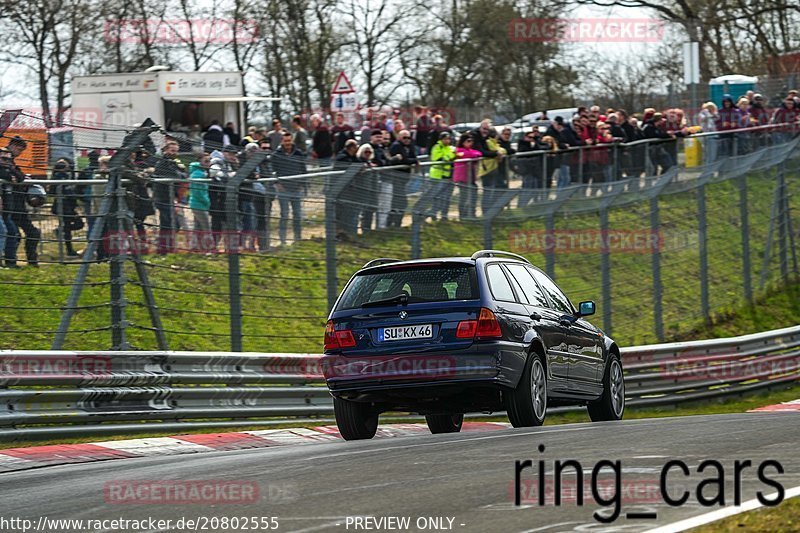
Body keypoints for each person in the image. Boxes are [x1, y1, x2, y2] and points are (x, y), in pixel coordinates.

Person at [3, 137, 40, 267]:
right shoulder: (4, 158)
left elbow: (19, 177)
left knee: (32, 233)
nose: (20, 152)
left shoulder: (12, 162)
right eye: (19, 149)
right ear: (12, 145)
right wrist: (13, 175)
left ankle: (32, 262)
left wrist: (17, 176)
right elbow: (9, 174)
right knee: (13, 234)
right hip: (9, 205)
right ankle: (10, 262)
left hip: (18, 204)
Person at [271, 132, 307, 245]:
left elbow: (303, 169)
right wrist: (277, 184)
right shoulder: (276, 154)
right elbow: (272, 171)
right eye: (285, 141)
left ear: (292, 141)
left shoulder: (298, 153)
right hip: (283, 189)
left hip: (296, 189)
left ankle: (298, 239)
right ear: (282, 141)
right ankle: (282, 241)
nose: (287, 143)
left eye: (289, 141)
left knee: (297, 215)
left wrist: (302, 185)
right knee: (284, 215)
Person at [152, 141, 186, 254]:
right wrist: (179, 173)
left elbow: (184, 175)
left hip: (170, 197)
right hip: (162, 197)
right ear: (166, 150)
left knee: (170, 224)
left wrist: (179, 173)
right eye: (172, 150)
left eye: (176, 151)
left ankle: (165, 247)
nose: (174, 153)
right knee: (170, 224)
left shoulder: (173, 163)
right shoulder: (162, 163)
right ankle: (163, 248)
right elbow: (174, 175)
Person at [50, 158, 84, 258]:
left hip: (69, 205)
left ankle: (61, 230)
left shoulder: (69, 175)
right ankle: (69, 250)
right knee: (68, 229)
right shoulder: (57, 177)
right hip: (63, 206)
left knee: (79, 224)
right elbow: (53, 191)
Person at [386, 129, 417, 227]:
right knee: (401, 202)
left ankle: (395, 223)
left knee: (399, 202)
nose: (407, 140)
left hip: (405, 177)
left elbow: (412, 158)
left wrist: (412, 160)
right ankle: (392, 223)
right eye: (405, 138)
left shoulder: (410, 146)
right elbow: (405, 160)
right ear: (399, 137)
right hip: (396, 177)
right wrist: (413, 161)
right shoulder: (396, 146)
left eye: (409, 137)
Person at [333, 139, 361, 236]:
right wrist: (358, 168)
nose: (358, 148)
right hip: (339, 190)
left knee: (349, 212)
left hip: (349, 190)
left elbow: (359, 163)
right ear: (352, 148)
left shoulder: (352, 156)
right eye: (356, 146)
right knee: (340, 213)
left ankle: (349, 233)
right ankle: (337, 234)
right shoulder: (342, 157)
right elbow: (350, 167)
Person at [429, 131, 456, 221]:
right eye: (445, 139)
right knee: (437, 196)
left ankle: (444, 215)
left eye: (448, 139)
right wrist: (452, 155)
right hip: (437, 176)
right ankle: (433, 214)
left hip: (448, 175)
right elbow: (441, 159)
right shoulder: (437, 147)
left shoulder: (450, 148)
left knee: (447, 197)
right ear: (441, 139)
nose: (447, 141)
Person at [453, 134, 482, 219]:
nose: (471, 143)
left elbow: (478, 153)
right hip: (462, 178)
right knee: (464, 197)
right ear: (463, 142)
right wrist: (474, 155)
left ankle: (472, 213)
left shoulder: (470, 150)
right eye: (468, 141)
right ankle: (463, 215)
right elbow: (466, 155)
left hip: (470, 177)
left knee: (473, 194)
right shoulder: (459, 150)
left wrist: (474, 154)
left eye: (471, 141)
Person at [188, 152, 211, 251]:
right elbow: (198, 192)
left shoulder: (201, 172)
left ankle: (195, 246)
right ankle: (209, 247)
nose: (209, 163)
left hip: (198, 203)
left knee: (198, 227)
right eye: (206, 161)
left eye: (209, 160)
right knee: (206, 228)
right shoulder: (198, 174)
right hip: (199, 204)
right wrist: (207, 202)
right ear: (199, 161)